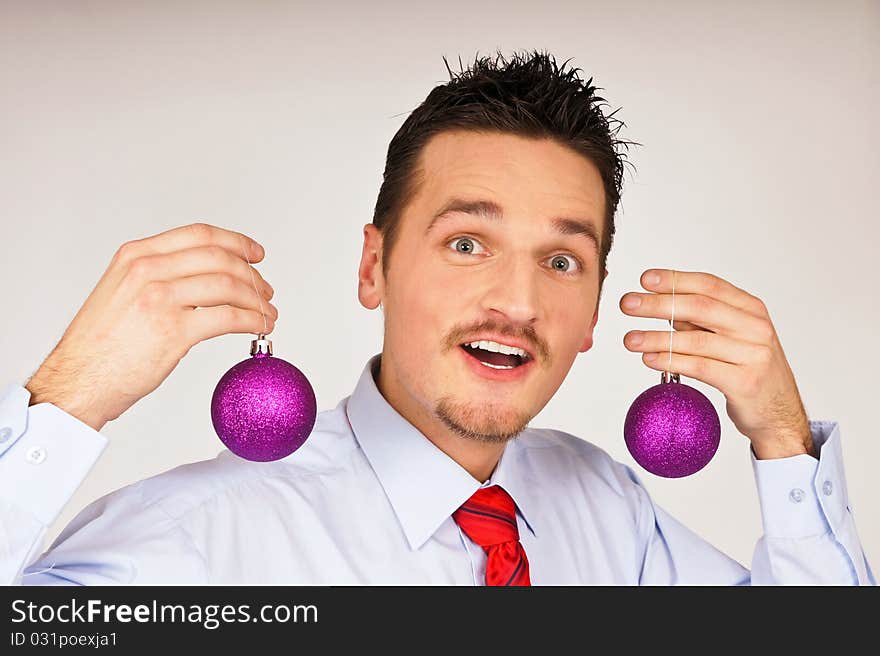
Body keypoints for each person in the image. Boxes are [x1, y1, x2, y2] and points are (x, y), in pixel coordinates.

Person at [0, 51, 873, 585]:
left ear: (596, 311)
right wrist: (69, 401)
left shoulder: (609, 510)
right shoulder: (203, 541)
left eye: (561, 260)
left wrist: (785, 445)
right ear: (374, 266)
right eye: (467, 244)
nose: (520, 303)